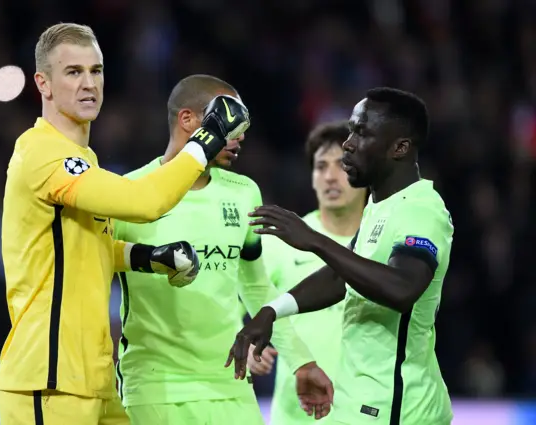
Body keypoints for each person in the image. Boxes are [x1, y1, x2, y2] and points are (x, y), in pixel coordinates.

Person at [0, 24, 250, 425]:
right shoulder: (41, 153)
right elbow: (144, 203)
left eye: (95, 71)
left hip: (93, 376)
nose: (88, 83)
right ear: (42, 83)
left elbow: (89, 244)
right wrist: (208, 138)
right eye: (73, 72)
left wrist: (149, 257)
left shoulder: (83, 159)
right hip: (48, 377)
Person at [113, 74, 333, 425]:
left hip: (231, 383)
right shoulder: (128, 193)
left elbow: (256, 286)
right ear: (188, 120)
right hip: (156, 387)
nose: (240, 134)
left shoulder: (243, 192)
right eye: (230, 118)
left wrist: (302, 361)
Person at [229, 87, 454, 425]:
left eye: (361, 132)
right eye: (351, 130)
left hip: (400, 408)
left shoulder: (422, 210)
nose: (348, 143)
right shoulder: (380, 207)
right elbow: (339, 277)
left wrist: (315, 242)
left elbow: (402, 289)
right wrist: (271, 311)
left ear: (400, 147)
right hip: (360, 403)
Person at [246, 121, 366, 424]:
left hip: (369, 413)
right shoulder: (283, 241)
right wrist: (243, 345)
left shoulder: (383, 240)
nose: (329, 176)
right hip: (298, 414)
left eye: (342, 165)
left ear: (365, 172)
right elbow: (230, 305)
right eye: (320, 166)